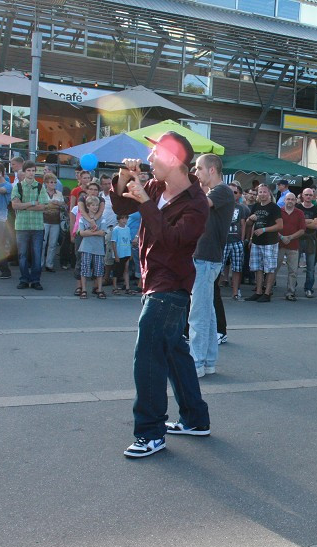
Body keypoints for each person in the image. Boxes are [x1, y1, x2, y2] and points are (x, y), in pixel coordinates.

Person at [110, 131, 210, 459]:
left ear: (173, 159)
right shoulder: (156, 186)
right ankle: (195, 419)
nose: (149, 160)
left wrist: (145, 202)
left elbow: (171, 241)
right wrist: (126, 177)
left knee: (149, 355)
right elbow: (121, 203)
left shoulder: (196, 204)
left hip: (170, 288)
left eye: (155, 155)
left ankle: (150, 432)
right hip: (154, 281)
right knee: (174, 354)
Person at [187, 154, 233, 378]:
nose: (196, 173)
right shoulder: (214, 192)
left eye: (198, 169)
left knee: (199, 314)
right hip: (205, 257)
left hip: (207, 258)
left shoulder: (222, 190)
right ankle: (208, 361)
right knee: (208, 311)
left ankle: (196, 363)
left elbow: (200, 205)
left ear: (212, 170)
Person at [11, 160, 49, 290]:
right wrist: (32, 203)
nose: (31, 173)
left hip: (37, 226)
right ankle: (24, 279)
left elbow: (43, 206)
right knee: (22, 255)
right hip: (22, 226)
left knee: (37, 254)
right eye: (29, 170)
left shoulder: (40, 186)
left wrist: (24, 206)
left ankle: (35, 280)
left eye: (33, 170)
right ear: (24, 171)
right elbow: (14, 205)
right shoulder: (18, 186)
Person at [244, 183, 283, 302]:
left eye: (264, 192)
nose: (262, 194)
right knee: (258, 268)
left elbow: (280, 225)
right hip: (256, 241)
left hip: (270, 242)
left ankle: (267, 293)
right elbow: (248, 224)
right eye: (260, 192)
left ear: (269, 193)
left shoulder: (274, 207)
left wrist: (264, 229)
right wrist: (250, 219)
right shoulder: (256, 206)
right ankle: (258, 291)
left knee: (270, 268)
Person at [276, 192, 306, 301]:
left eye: (292, 199)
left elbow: (302, 230)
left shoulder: (300, 213)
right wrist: (281, 237)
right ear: (284, 200)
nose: (290, 201)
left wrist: (290, 237)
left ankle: (291, 292)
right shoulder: (278, 212)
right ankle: (268, 290)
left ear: (296, 201)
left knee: (293, 271)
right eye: (288, 199)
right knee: (274, 268)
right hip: (279, 245)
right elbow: (274, 227)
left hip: (293, 246)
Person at [76, 195, 107, 300]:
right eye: (92, 205)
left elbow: (103, 232)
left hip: (98, 248)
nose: (95, 207)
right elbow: (81, 233)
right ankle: (84, 289)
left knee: (99, 269)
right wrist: (93, 232)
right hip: (86, 247)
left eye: (96, 205)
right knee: (84, 268)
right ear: (88, 206)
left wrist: (90, 232)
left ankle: (99, 289)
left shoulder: (102, 218)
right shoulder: (82, 219)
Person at [41, 173, 66, 272]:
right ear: (46, 183)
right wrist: (52, 205)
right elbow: (40, 205)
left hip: (55, 221)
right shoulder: (42, 192)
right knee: (42, 243)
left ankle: (49, 264)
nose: (53, 184)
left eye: (55, 182)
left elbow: (63, 205)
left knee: (53, 243)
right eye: (51, 182)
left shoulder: (59, 193)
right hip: (44, 220)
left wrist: (58, 204)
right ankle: (40, 263)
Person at [110, 213, 134, 295]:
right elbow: (113, 242)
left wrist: (130, 252)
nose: (124, 220)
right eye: (122, 218)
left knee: (126, 269)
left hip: (126, 252)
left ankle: (127, 287)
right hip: (119, 253)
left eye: (126, 218)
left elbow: (129, 241)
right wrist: (116, 254)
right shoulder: (116, 229)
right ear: (118, 219)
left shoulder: (128, 229)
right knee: (116, 270)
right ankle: (114, 287)